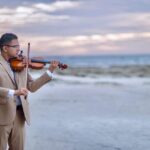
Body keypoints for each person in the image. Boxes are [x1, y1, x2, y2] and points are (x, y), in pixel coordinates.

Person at [0, 33, 59, 150]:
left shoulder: (21, 64)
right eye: (15, 46)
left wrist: (50, 71)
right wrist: (14, 92)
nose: (19, 49)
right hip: (2, 115)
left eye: (19, 46)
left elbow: (32, 87)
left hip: (20, 115)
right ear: (5, 48)